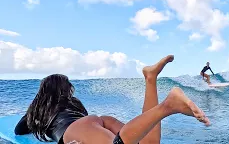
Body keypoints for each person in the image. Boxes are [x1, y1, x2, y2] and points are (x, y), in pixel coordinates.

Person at [14, 55, 210, 144]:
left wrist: (34, 116)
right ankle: (150, 79)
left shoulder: (38, 110)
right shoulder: (74, 103)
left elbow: (19, 130)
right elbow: (88, 120)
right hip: (97, 121)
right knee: (149, 143)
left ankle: (168, 106)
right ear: (67, 90)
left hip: (75, 131)